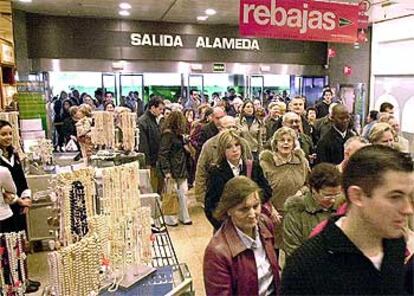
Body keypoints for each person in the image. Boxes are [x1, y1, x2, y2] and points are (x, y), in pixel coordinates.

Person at [281, 145, 413, 295]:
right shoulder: (306, 266)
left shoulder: (394, 243)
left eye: (409, 197)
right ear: (357, 196)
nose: (408, 209)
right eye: (395, 197)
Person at [203, 176, 280, 296]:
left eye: (255, 206)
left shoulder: (265, 224)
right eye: (243, 209)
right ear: (228, 210)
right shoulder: (217, 253)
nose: (252, 214)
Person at [0, 120, 40, 293]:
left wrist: (27, 198)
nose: (8, 137)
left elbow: (21, 179)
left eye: (10, 133)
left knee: (20, 243)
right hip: (5, 209)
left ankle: (23, 279)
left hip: (19, 206)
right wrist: (19, 200)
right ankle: (12, 283)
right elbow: (3, 192)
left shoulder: (14, 154)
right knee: (8, 246)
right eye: (3, 134)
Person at [204, 130, 272, 231]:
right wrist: (221, 225)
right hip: (228, 225)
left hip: (252, 223)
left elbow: (267, 190)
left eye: (237, 145)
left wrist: (252, 202)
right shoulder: (216, 172)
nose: (234, 149)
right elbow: (210, 205)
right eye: (229, 147)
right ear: (222, 150)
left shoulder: (253, 166)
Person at [260, 127, 310, 248]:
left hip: (297, 214)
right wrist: (270, 209)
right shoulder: (265, 163)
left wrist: (301, 192)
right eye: (282, 140)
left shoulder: (302, 161)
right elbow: (259, 190)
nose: (286, 143)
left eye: (289, 140)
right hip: (273, 215)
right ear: (275, 144)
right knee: (272, 251)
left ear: (294, 144)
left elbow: (309, 184)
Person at [283, 163, 343, 257]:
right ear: (313, 190)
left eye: (337, 194)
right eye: (327, 195)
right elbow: (293, 251)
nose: (333, 200)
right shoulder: (297, 212)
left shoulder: (344, 207)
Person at [195, 116, 252, 205]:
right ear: (220, 129)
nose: (233, 130)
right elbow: (201, 171)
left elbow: (251, 166)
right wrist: (201, 197)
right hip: (219, 196)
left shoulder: (243, 143)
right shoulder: (209, 145)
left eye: (235, 127)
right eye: (229, 127)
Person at [157, 111, 192, 226]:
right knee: (172, 193)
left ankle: (181, 216)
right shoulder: (168, 135)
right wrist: (167, 171)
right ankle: (172, 217)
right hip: (174, 167)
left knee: (181, 193)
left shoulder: (176, 135)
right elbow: (163, 154)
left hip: (179, 167)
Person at [138, 96, 165, 193]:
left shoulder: (154, 120)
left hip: (157, 161)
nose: (161, 112)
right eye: (160, 109)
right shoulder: (143, 122)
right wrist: (147, 163)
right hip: (151, 162)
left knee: (158, 188)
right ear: (152, 108)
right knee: (152, 189)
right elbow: (143, 145)